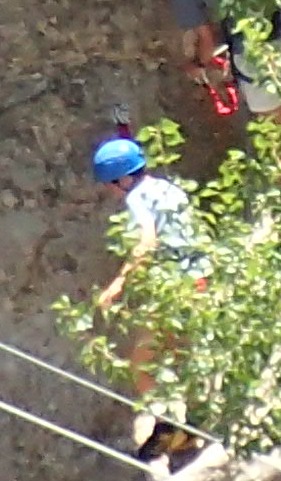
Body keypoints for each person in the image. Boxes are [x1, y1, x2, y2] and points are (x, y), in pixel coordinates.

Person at [85, 124, 205, 455]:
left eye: (111, 184)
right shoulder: (169, 189)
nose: (111, 192)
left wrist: (117, 285)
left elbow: (148, 241)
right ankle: (191, 423)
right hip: (199, 278)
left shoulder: (137, 197)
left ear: (122, 180)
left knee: (142, 359)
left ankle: (168, 426)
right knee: (181, 352)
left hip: (176, 285)